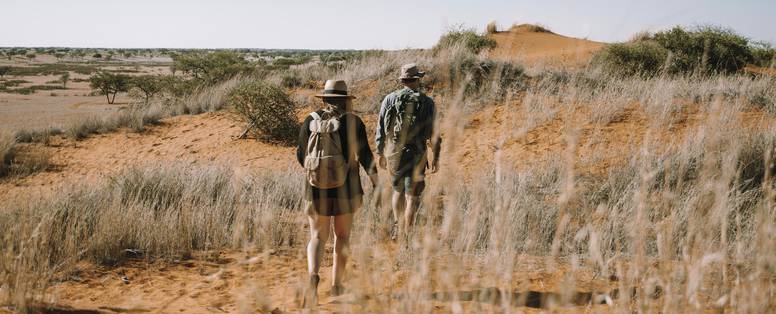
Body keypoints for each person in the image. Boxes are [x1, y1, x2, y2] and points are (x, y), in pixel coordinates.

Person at [297, 79, 378, 306]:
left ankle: (313, 276)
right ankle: (337, 285)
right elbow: (366, 157)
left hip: (315, 189)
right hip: (347, 189)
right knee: (341, 236)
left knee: (316, 236)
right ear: (346, 101)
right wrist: (376, 182)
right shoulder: (353, 122)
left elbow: (300, 156)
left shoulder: (309, 121)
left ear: (324, 99)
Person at [375, 63, 440, 238]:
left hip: (395, 152)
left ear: (403, 80)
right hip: (418, 152)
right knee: (412, 196)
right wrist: (436, 156)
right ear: (417, 79)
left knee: (398, 191)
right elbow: (434, 132)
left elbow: (381, 127)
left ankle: (397, 226)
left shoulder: (389, 99)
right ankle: (407, 233)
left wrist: (380, 151)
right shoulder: (427, 102)